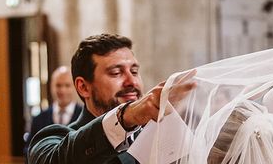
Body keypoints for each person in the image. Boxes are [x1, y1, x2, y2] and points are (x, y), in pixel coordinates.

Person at [27, 33, 195, 164]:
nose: (132, 81)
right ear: (83, 87)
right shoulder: (54, 140)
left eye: (134, 71)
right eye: (116, 72)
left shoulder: (156, 137)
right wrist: (126, 116)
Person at [29, 66, 83, 139]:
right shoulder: (39, 119)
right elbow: (30, 148)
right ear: (51, 86)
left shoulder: (84, 116)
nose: (62, 91)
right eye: (58, 85)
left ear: (75, 87)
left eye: (67, 85)